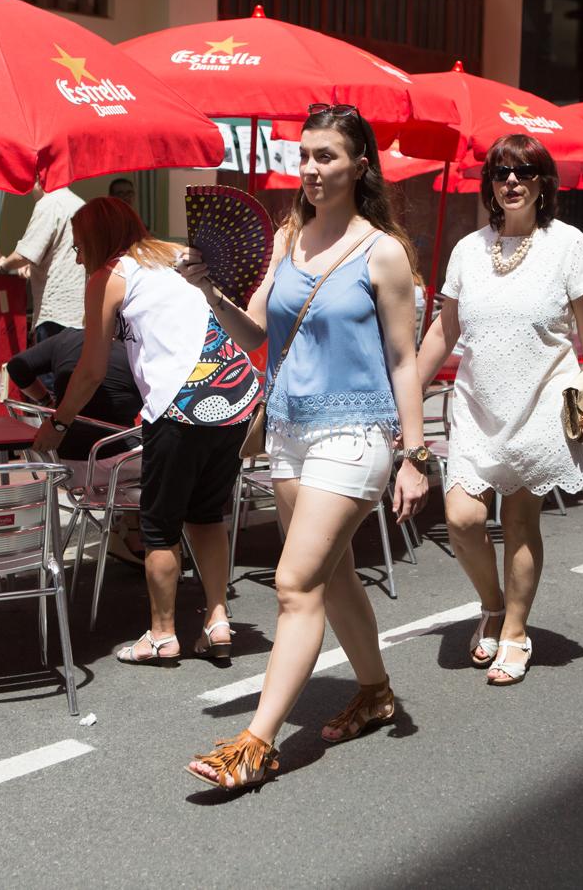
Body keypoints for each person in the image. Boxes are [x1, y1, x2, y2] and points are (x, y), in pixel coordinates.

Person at [175, 103, 429, 790]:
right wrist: (207, 291)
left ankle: (256, 742)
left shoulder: (383, 251)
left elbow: (405, 359)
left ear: (359, 164)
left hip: (357, 431)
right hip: (289, 429)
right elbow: (256, 336)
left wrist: (415, 454)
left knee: (293, 584)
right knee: (333, 573)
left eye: (327, 156)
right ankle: (375, 691)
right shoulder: (291, 235)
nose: (312, 168)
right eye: (305, 155)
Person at [415, 134, 583, 686]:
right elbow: (445, 328)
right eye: (502, 172)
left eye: (525, 172)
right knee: (462, 518)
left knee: (522, 521)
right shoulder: (467, 250)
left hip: (541, 402)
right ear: (489, 183)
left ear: (543, 183)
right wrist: (407, 384)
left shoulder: (570, 245)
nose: (512, 182)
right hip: (477, 406)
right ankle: (493, 603)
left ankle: (515, 632)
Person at [34, 196, 259, 667]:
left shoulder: (109, 277)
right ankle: (217, 618)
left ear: (97, 241)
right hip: (238, 397)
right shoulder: (174, 254)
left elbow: (91, 369)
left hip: (182, 402)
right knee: (207, 515)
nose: (77, 257)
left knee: (159, 526)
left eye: (78, 247)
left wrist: (57, 423)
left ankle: (161, 635)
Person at [6, 327, 142, 487]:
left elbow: (16, 367)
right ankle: (127, 510)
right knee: (169, 457)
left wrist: (46, 401)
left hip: (59, 466)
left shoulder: (65, 339)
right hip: (114, 465)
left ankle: (121, 509)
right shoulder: (134, 353)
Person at [0, 183, 86, 394]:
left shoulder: (49, 203)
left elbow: (26, 253)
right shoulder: (79, 203)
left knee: (52, 383)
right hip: (79, 311)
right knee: (72, 382)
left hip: (55, 310)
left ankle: (54, 425)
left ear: (39, 178)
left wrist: (1, 264)